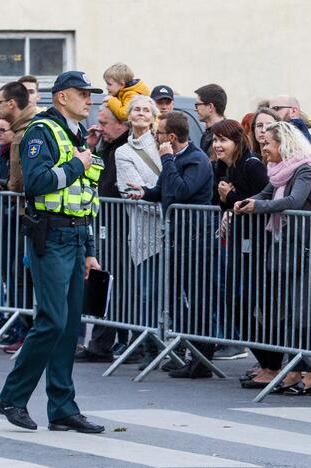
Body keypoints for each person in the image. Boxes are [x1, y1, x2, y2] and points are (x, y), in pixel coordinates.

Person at [0, 70, 105, 434]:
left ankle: (62, 408)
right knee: (52, 321)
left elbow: (83, 200)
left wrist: (89, 248)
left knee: (69, 325)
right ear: (61, 97)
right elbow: (36, 183)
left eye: (90, 94)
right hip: (51, 237)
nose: (89, 100)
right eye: (82, 93)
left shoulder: (74, 134)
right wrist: (77, 164)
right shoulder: (42, 132)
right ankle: (12, 397)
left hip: (73, 237)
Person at [234, 121, 311, 395]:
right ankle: (294, 370)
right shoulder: (277, 172)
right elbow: (265, 194)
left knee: (304, 314)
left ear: (283, 144)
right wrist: (242, 202)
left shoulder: (304, 168)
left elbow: (294, 202)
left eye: (268, 144)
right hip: (284, 248)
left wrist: (258, 206)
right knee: (288, 313)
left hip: (303, 249)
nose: (263, 148)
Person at [127, 111, 216, 378]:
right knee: (176, 298)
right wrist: (146, 193)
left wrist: (166, 159)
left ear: (172, 137)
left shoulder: (195, 160)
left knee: (198, 301)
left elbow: (180, 191)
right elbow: (164, 190)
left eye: (159, 134)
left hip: (197, 240)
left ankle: (202, 359)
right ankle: (189, 353)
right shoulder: (175, 160)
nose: (156, 138)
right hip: (177, 239)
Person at [210, 119, 273, 379]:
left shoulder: (251, 165)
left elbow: (260, 204)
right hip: (239, 242)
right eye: (215, 140)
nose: (217, 145)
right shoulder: (223, 168)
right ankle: (265, 361)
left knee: (250, 302)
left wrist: (230, 198)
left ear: (237, 142)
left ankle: (271, 363)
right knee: (234, 303)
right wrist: (226, 201)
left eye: (223, 140)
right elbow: (220, 203)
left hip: (258, 245)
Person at [76, 105, 132, 363]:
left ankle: (110, 342)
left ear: (122, 124)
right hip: (104, 223)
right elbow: (94, 178)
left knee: (114, 283)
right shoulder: (107, 146)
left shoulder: (125, 147)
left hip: (121, 226)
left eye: (105, 123)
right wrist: (92, 147)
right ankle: (101, 343)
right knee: (103, 279)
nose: (99, 128)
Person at [115, 95, 163, 369]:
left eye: (147, 110)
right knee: (148, 292)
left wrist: (157, 195)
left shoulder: (163, 144)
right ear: (129, 115)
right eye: (137, 110)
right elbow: (132, 191)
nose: (141, 113)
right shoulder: (124, 152)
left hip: (174, 228)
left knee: (176, 292)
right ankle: (150, 346)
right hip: (145, 231)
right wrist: (163, 204)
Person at [0, 81, 38, 353]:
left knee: (29, 278)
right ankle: (28, 332)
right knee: (22, 276)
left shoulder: (28, 131)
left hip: (34, 216)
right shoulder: (21, 129)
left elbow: (22, 180)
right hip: (27, 214)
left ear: (12, 103)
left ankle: (35, 336)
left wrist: (10, 186)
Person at [0, 81, 37, 194]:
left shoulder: (21, 135)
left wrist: (4, 183)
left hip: (27, 208)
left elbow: (17, 185)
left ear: (11, 103)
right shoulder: (40, 121)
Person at [269, 95, 311, 165]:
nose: (271, 113)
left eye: (276, 108)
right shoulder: (267, 142)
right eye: (269, 110)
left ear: (293, 111)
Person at [195, 84, 227, 155]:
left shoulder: (225, 134)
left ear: (210, 107)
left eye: (197, 105)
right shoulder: (208, 133)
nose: (195, 109)